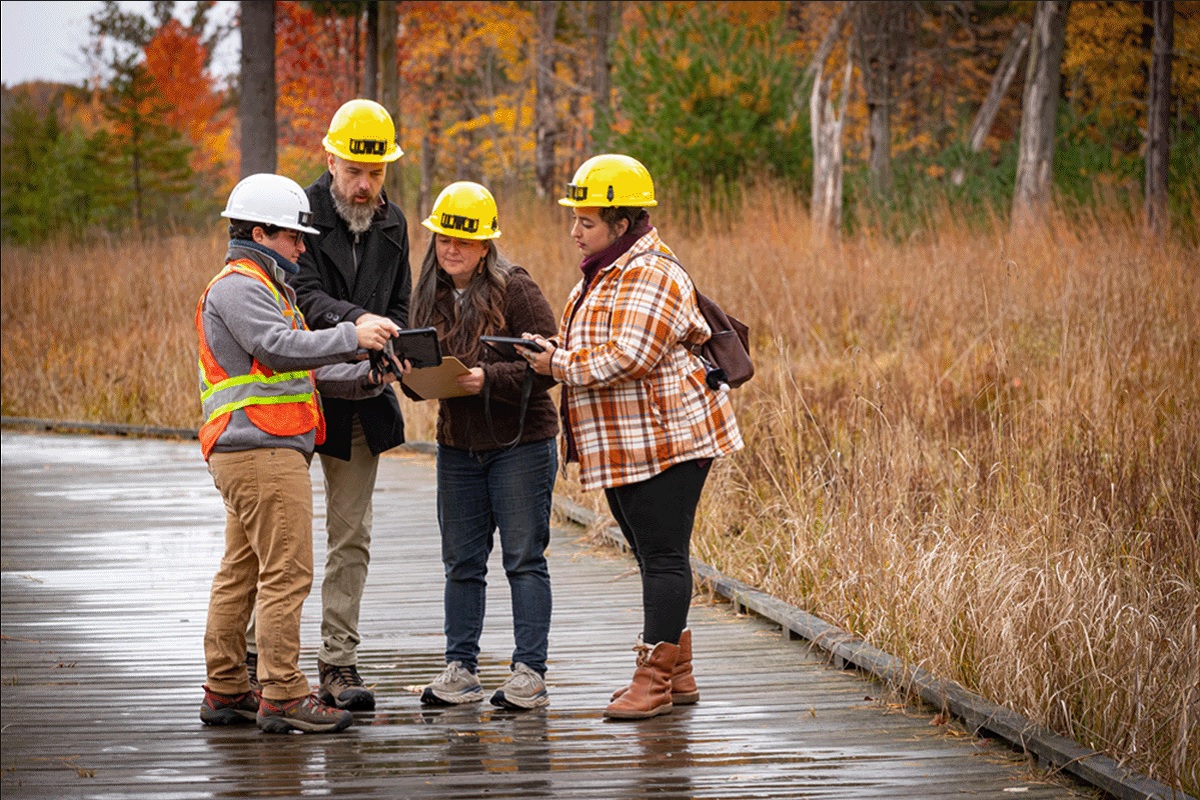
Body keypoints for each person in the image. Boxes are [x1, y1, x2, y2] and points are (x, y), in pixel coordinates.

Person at [524, 154, 743, 720]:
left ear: (623, 222)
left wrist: (557, 366)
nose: (575, 231)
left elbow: (632, 355)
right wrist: (554, 354)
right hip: (630, 441)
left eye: (587, 221)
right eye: (575, 219)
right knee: (652, 554)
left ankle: (653, 677)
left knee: (665, 558)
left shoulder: (651, 272)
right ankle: (680, 674)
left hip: (669, 440)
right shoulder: (610, 269)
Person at [197, 173, 402, 734]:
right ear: (261, 233)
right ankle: (284, 692)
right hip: (261, 450)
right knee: (288, 571)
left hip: (256, 447)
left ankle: (227, 689)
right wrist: (351, 334)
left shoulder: (268, 288)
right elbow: (280, 349)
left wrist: (368, 376)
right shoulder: (240, 286)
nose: (302, 248)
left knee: (241, 572)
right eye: (293, 238)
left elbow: (302, 369)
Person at [246, 99, 411, 711]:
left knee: (351, 537)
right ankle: (254, 661)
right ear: (330, 158)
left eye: (376, 173)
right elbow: (303, 297)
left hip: (362, 403)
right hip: (294, 399)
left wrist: (393, 340)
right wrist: (359, 325)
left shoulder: (394, 225)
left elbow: (400, 307)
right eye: (354, 172)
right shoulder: (298, 214)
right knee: (272, 541)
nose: (365, 186)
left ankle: (338, 663)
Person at [406, 181, 560, 710]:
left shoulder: (516, 288)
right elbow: (420, 370)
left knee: (523, 557)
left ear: (486, 246)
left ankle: (529, 672)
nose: (451, 249)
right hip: (458, 445)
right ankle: (461, 668)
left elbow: (549, 364)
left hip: (521, 441)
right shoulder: (426, 292)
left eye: (464, 242)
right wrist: (412, 375)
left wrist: (486, 378)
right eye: (444, 239)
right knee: (462, 562)